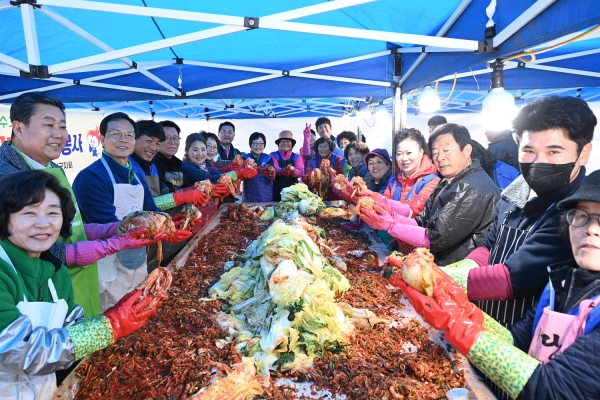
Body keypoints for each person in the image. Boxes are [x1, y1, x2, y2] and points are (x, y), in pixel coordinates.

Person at [391, 170, 600, 400]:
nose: (590, 229)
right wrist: (462, 308)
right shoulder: (560, 285)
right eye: (581, 215)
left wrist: (457, 325)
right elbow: (514, 341)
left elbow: (552, 389)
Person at [0, 170, 161, 399]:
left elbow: (70, 331)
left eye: (53, 213)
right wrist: (109, 325)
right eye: (29, 213)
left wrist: (120, 321)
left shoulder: (57, 273)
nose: (43, 224)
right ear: (5, 217)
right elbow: (16, 350)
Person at [439, 96, 595, 331]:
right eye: (529, 150)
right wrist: (458, 269)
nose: (538, 162)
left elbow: (512, 279)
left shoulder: (577, 215)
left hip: (522, 339)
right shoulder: (516, 191)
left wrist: (439, 281)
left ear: (583, 154)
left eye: (554, 151)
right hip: (483, 319)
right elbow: (489, 246)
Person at [0, 92, 152, 318]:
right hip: (33, 298)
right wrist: (110, 245)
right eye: (49, 125)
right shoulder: (6, 176)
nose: (58, 134)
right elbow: (27, 249)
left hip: (76, 283)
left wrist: (113, 229)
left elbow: (71, 226)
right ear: (19, 128)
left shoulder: (53, 168)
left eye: (62, 127)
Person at [72, 112, 190, 311]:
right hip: (107, 264)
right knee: (113, 312)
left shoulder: (135, 176)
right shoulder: (91, 177)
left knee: (138, 308)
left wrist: (171, 227)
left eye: (128, 135)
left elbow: (151, 210)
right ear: (102, 139)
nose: (123, 140)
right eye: (115, 134)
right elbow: (105, 224)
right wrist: (151, 230)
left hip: (138, 258)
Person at [361, 124, 500, 266]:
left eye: (446, 150)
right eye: (435, 152)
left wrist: (390, 225)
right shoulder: (447, 182)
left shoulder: (472, 188)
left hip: (457, 272)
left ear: (467, 150)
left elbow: (433, 238)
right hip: (436, 264)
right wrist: (384, 206)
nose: (440, 158)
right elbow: (420, 221)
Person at [361, 129, 440, 253]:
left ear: (421, 152)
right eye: (399, 154)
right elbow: (380, 208)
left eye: (409, 153)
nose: (404, 158)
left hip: (421, 253)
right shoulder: (393, 181)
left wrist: (378, 200)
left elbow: (414, 215)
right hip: (395, 247)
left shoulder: (433, 182)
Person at [270, 130, 304, 202]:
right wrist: (283, 171)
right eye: (282, 141)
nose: (285, 143)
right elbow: (274, 168)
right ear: (279, 143)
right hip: (277, 191)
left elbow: (301, 171)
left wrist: (293, 171)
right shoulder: (273, 155)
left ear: (292, 144)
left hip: (293, 192)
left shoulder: (297, 157)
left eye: (288, 141)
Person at [154, 120, 185, 193]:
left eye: (175, 138)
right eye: (167, 138)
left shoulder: (178, 164)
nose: (172, 142)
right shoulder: (152, 165)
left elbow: (185, 186)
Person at [243, 132, 275, 202]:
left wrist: (270, 174)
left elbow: (273, 176)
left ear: (264, 145)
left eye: (261, 143)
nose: (258, 146)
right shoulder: (245, 158)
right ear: (250, 145)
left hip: (267, 195)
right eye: (255, 143)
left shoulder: (269, 158)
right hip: (250, 195)